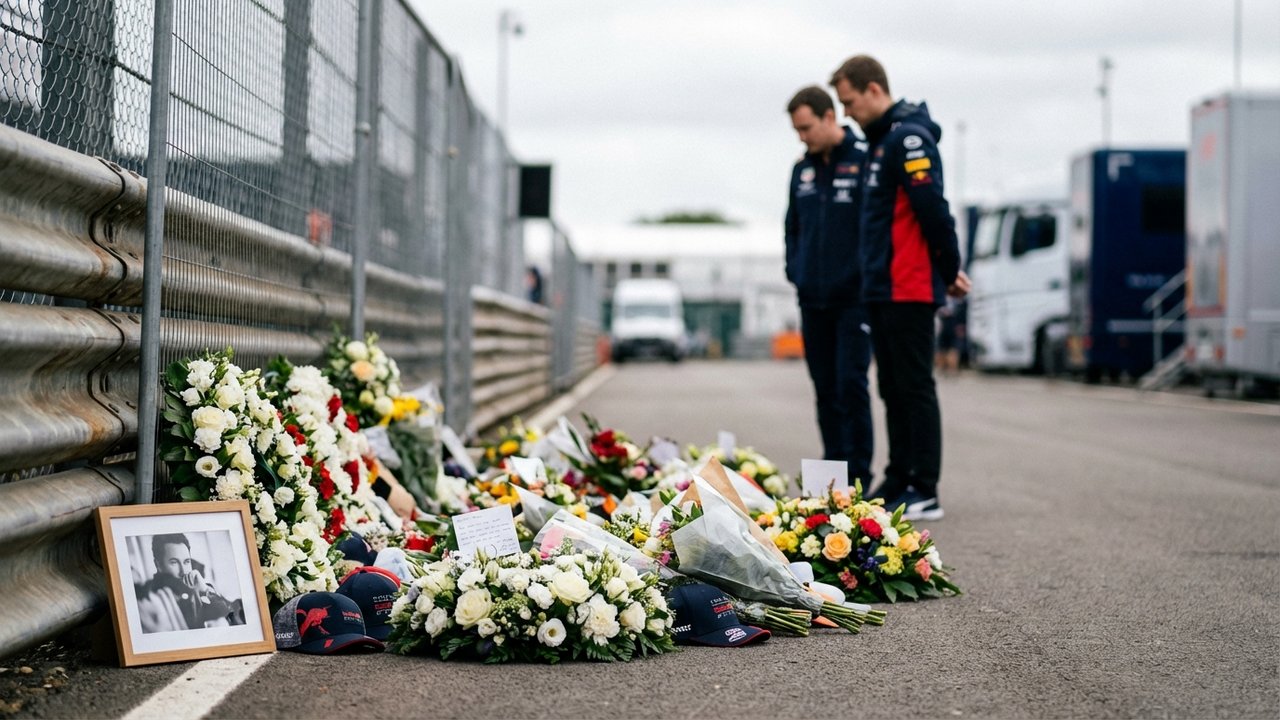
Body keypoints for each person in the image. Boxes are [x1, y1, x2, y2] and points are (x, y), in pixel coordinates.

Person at [830, 55, 971, 521]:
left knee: (914, 387)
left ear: (873, 90)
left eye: (849, 102)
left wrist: (949, 269)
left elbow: (933, 207)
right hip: (882, 287)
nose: (847, 112)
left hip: (908, 286)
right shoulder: (880, 142)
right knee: (890, 387)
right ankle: (898, 476)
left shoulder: (909, 138)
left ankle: (924, 486)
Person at [784, 85, 874, 483]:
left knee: (850, 385)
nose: (802, 136)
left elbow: (874, 228)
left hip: (854, 298)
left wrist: (863, 273)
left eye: (806, 127)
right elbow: (792, 229)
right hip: (812, 298)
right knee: (823, 387)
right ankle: (833, 472)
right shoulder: (801, 170)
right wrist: (796, 270)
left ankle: (860, 476)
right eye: (797, 130)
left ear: (829, 117)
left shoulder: (864, 160)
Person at [138, 533, 238, 631]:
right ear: (158, 565)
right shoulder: (152, 599)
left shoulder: (198, 589)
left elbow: (231, 618)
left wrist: (205, 590)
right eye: (174, 562)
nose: (184, 571)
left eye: (186, 562)